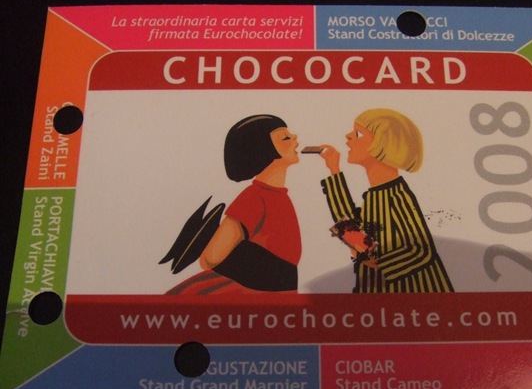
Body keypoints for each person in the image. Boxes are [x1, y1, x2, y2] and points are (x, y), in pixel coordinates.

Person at [318, 108, 453, 293]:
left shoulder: (396, 195)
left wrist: (372, 258)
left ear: (383, 144)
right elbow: (349, 225)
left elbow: (420, 250)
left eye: (358, 133)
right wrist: (334, 169)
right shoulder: (375, 195)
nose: (348, 136)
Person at [166, 114, 301, 294]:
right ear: (263, 151)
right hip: (253, 295)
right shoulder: (254, 198)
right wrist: (266, 268)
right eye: (285, 138)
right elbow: (210, 258)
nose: (295, 138)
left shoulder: (278, 196)